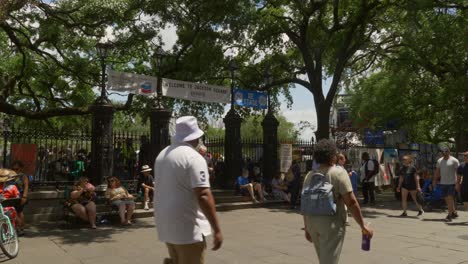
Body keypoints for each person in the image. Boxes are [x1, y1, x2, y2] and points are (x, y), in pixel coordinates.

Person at [154, 116, 223, 264]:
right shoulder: (194, 157)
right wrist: (217, 229)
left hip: (166, 225)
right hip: (188, 228)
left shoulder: (162, 155)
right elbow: (203, 195)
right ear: (196, 138)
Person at [302, 139, 373, 264]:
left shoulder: (309, 175)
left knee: (323, 259)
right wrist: (363, 225)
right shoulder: (339, 173)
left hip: (312, 222)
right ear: (332, 156)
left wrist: (307, 227)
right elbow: (351, 202)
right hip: (331, 224)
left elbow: (305, 202)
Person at [433, 146, 460, 222]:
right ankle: (454, 212)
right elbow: (437, 171)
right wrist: (434, 180)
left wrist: (458, 182)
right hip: (443, 183)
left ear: (449, 152)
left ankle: (450, 214)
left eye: (446, 151)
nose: (444, 153)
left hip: (452, 182)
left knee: (450, 198)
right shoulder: (439, 161)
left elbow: (459, 172)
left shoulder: (454, 160)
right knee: (447, 199)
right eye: (443, 152)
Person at [9, 160, 30, 236]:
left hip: (20, 196)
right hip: (12, 196)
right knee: (13, 212)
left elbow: (26, 186)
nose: (15, 170)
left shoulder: (23, 176)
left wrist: (24, 196)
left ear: (21, 168)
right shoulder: (11, 176)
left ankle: (21, 228)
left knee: (19, 212)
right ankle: (15, 227)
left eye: (16, 169)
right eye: (13, 169)